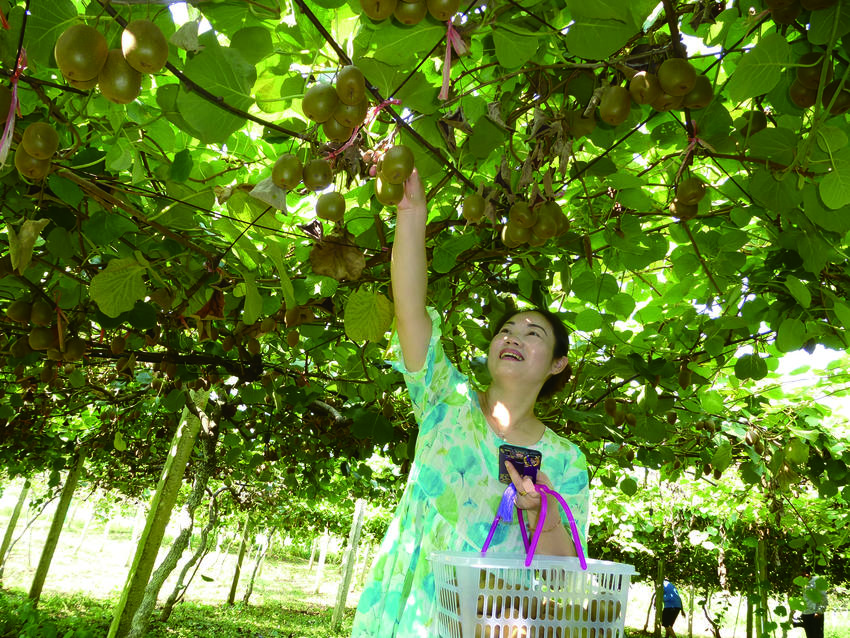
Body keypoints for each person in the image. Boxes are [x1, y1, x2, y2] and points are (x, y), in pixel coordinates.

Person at [350, 170, 591, 637]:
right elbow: (410, 312)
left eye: (533, 334)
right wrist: (411, 214)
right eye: (506, 330)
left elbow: (565, 585)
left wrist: (542, 514)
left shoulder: (565, 460)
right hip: (407, 615)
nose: (513, 337)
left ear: (557, 364)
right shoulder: (447, 399)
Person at [799, 573, 828, 638]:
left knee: (817, 635)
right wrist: (803, 612)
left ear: (807, 574)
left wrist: (820, 611)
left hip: (815, 614)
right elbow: (805, 598)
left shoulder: (817, 580)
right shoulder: (803, 583)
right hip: (806, 614)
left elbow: (824, 598)